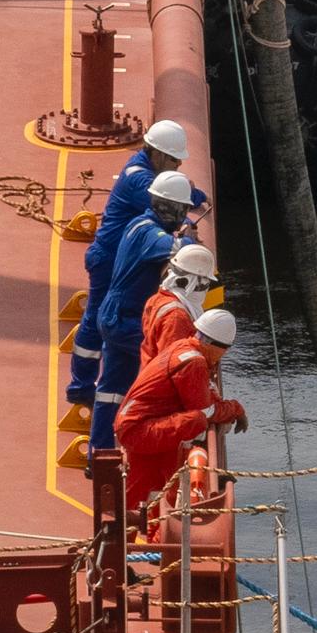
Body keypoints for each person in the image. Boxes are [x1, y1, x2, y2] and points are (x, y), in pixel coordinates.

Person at [71, 121, 188, 413]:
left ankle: (85, 388)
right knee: (95, 320)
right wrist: (193, 197)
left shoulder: (141, 169)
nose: (177, 167)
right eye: (174, 161)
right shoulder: (140, 180)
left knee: (98, 321)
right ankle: (81, 386)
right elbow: (163, 199)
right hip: (109, 258)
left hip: (115, 256)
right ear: (159, 155)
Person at [87, 170, 196, 451]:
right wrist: (190, 238)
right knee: (160, 373)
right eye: (181, 209)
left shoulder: (140, 224)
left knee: (111, 391)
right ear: (168, 206)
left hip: (117, 316)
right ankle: (140, 443)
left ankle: (98, 453)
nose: (182, 215)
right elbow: (176, 248)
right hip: (126, 318)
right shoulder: (147, 232)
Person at [120, 309, 242, 510]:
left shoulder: (181, 347)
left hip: (138, 425)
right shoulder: (194, 362)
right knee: (196, 419)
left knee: (142, 489)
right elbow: (206, 410)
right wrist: (235, 409)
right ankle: (154, 528)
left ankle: (131, 535)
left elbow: (201, 393)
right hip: (143, 431)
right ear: (215, 346)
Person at [139, 242, 217, 373]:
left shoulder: (158, 298)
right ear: (194, 283)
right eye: (205, 283)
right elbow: (175, 368)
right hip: (167, 389)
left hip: (151, 372)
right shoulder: (176, 317)